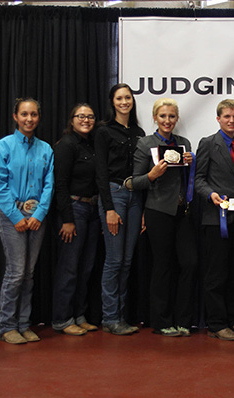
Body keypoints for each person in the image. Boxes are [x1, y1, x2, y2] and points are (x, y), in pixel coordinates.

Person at [0, 98, 54, 344]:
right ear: (15, 117)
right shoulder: (2, 147)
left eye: (34, 114)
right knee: (15, 272)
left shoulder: (46, 149)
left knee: (29, 273)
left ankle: (24, 323)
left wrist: (38, 215)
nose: (29, 119)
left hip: (37, 217)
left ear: (39, 117)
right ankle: (6, 326)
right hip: (10, 216)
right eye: (24, 114)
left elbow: (49, 185)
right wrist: (16, 217)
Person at [132, 98, 197, 337]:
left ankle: (183, 319)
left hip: (183, 212)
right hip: (158, 211)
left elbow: (188, 179)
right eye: (162, 116)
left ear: (177, 119)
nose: (167, 121)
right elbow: (134, 181)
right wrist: (152, 174)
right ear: (155, 118)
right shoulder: (145, 144)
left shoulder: (184, 143)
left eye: (171, 116)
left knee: (189, 263)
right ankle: (161, 321)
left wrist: (191, 163)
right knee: (162, 266)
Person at [195, 99, 234, 341]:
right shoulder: (208, 144)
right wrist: (210, 194)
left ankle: (233, 321)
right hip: (215, 218)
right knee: (216, 274)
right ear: (218, 118)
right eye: (227, 116)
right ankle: (216, 324)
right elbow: (198, 179)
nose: (231, 120)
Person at [94, 83, 144, 335]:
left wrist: (144, 208)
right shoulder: (103, 131)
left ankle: (121, 316)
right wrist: (109, 208)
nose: (124, 102)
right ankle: (110, 317)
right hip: (114, 194)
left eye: (128, 98)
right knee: (114, 260)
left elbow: (144, 172)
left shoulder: (139, 132)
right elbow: (100, 172)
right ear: (112, 102)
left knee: (126, 261)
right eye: (119, 98)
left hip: (136, 196)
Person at [52, 103, 101, 336]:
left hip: (92, 209)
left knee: (85, 267)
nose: (86, 120)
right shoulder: (66, 146)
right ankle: (62, 319)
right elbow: (59, 185)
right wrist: (67, 220)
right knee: (69, 268)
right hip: (74, 209)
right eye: (81, 116)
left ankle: (79, 315)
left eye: (90, 117)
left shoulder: (92, 145)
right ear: (71, 120)